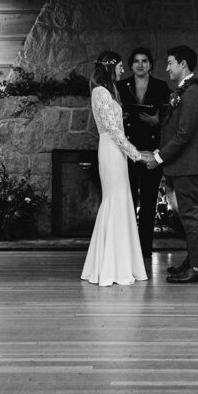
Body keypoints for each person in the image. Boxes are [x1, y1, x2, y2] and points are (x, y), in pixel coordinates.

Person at [80, 51, 149, 287]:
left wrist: (130, 153)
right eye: (120, 66)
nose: (123, 70)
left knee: (120, 201)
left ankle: (120, 263)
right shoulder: (100, 92)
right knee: (114, 200)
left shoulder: (108, 92)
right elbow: (113, 131)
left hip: (115, 150)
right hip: (111, 150)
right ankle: (110, 267)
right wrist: (137, 155)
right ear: (110, 68)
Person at [143, 45, 198, 284]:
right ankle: (192, 261)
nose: (167, 67)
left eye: (170, 63)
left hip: (187, 165)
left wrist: (158, 158)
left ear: (183, 64)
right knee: (185, 216)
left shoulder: (193, 93)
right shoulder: (183, 91)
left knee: (190, 216)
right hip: (180, 164)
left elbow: (184, 134)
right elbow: (173, 128)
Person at [117, 47, 170, 258]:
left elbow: (169, 116)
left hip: (152, 150)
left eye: (145, 61)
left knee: (148, 202)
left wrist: (158, 120)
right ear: (130, 65)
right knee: (128, 201)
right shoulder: (120, 86)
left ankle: (145, 250)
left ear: (150, 65)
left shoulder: (160, 86)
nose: (140, 65)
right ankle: (127, 249)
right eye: (136, 61)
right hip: (128, 150)